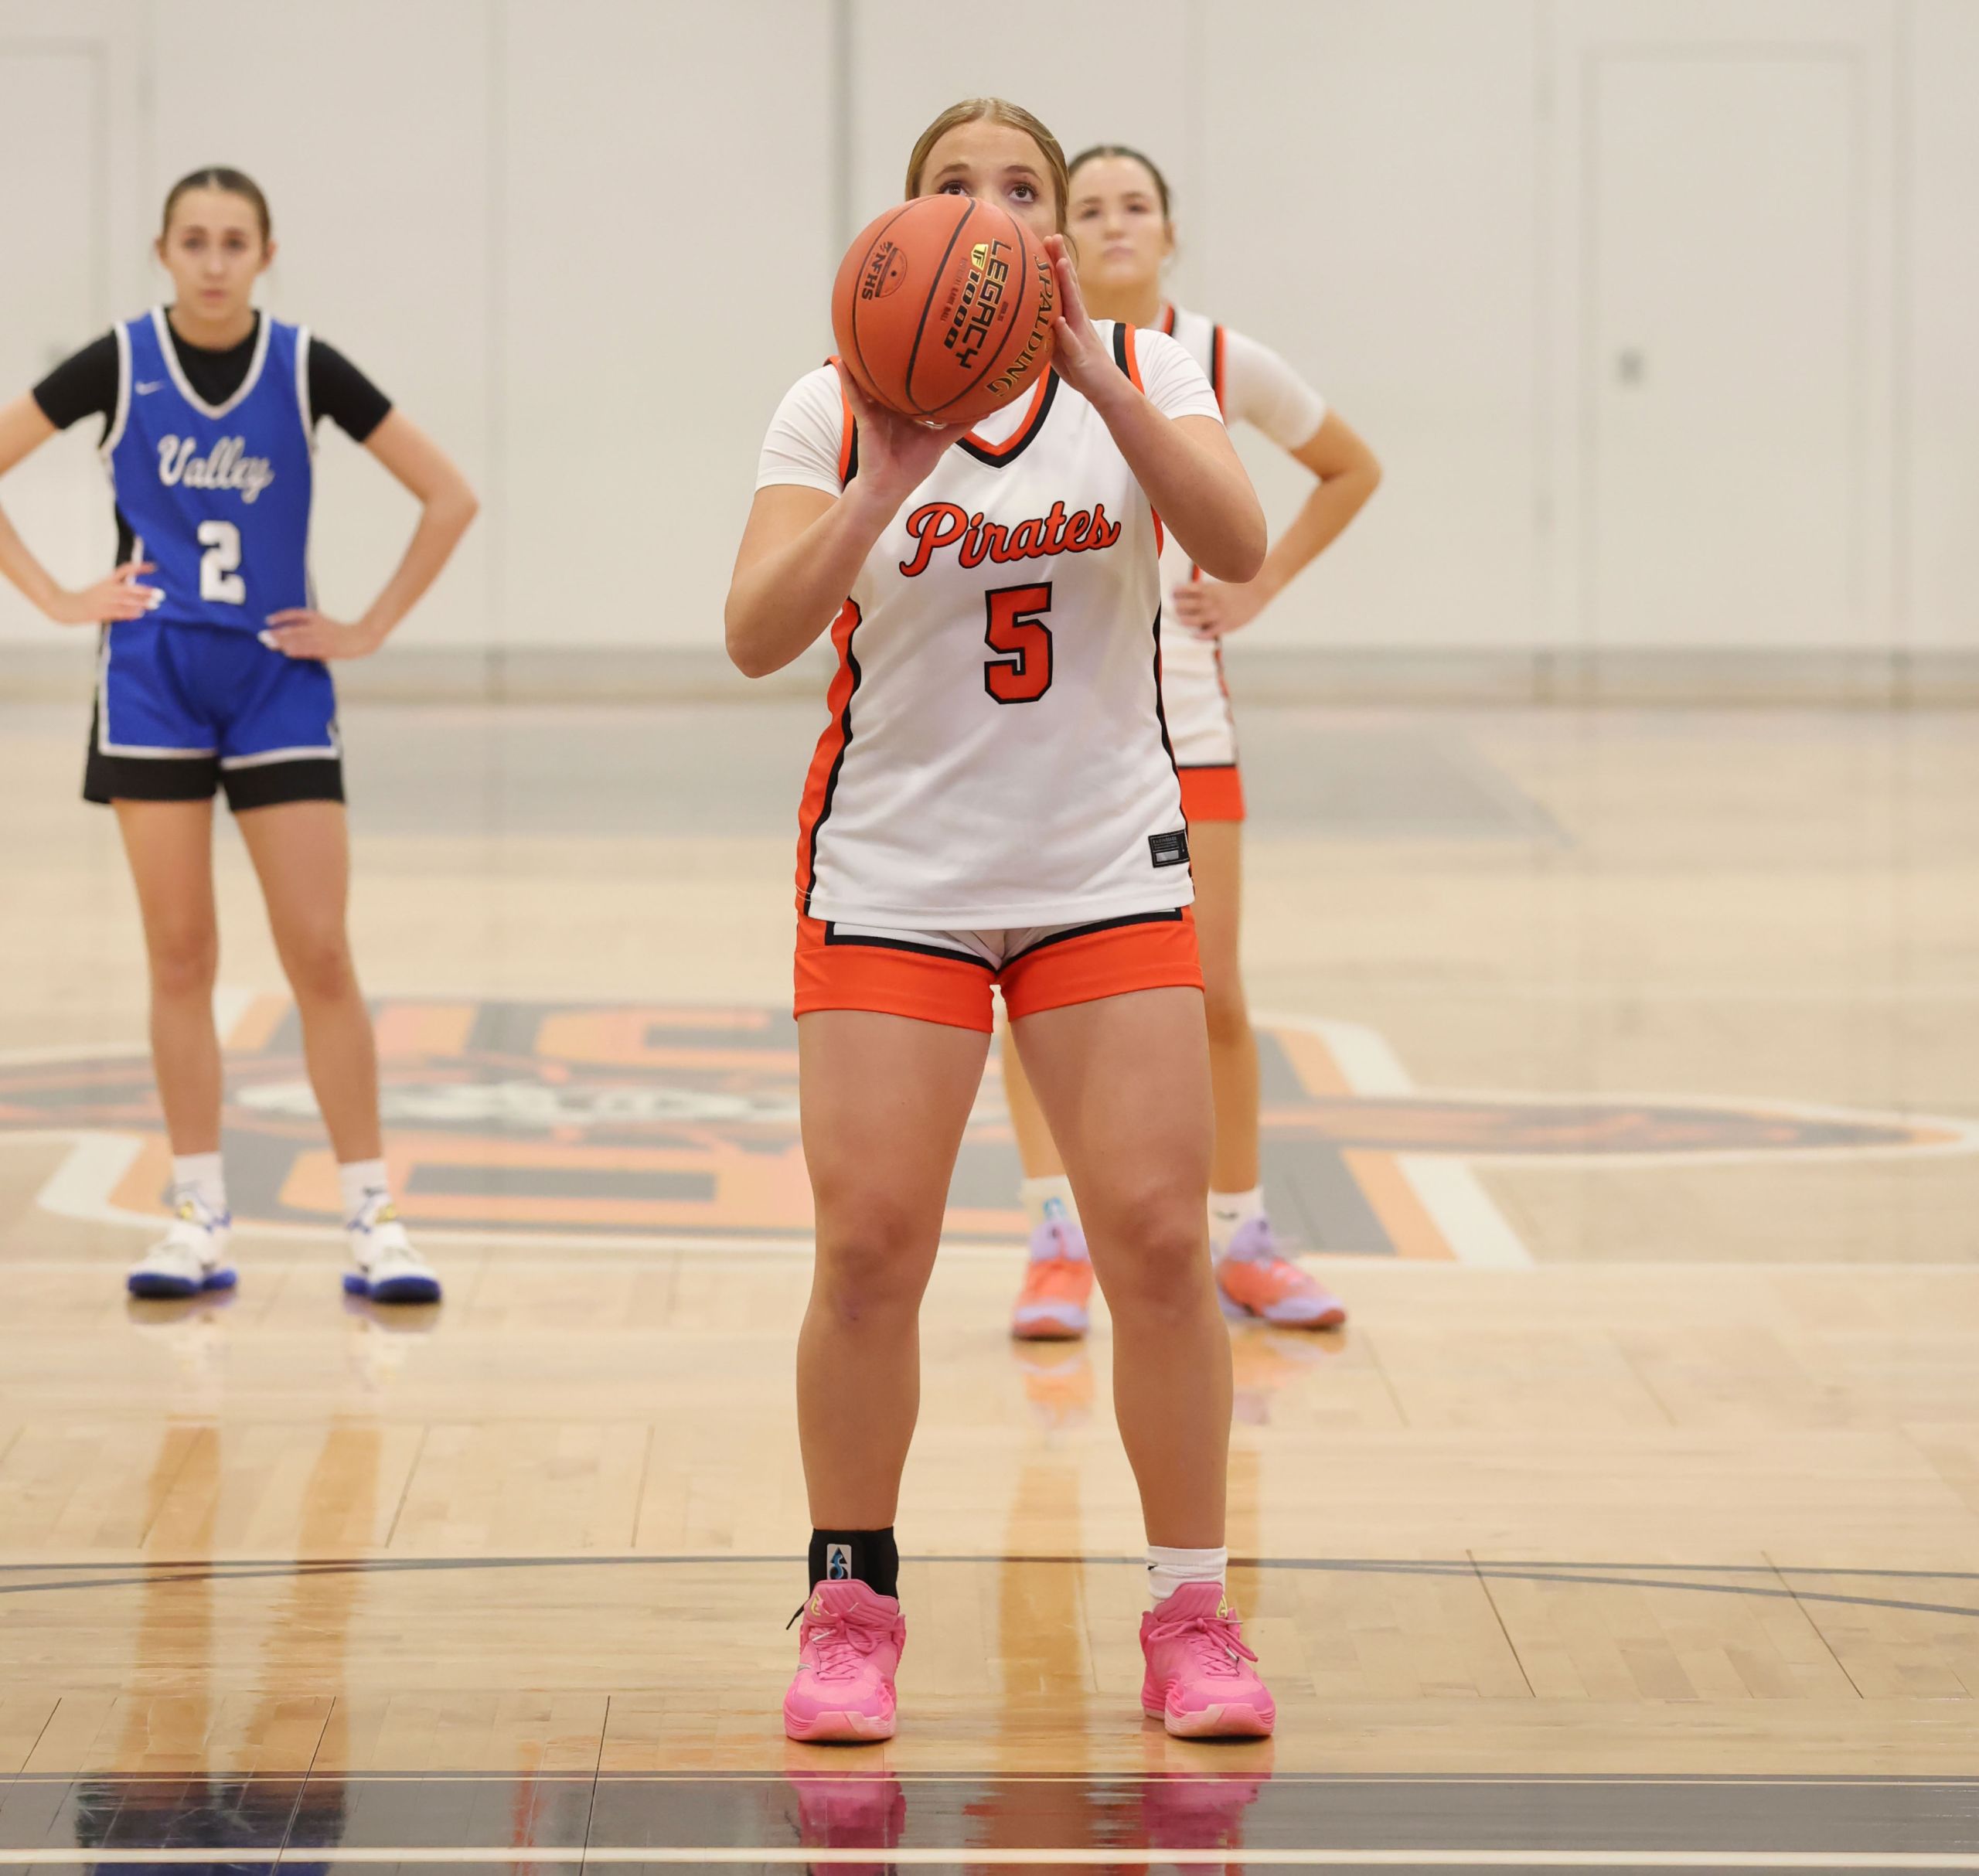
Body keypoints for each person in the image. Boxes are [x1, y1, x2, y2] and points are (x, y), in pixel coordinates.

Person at [727, 98, 1277, 1742]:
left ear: (1056, 229)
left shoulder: (1149, 372)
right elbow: (754, 632)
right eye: (954, 187)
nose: (994, 210)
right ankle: (850, 1607)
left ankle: (1192, 1612)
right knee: (867, 1248)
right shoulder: (831, 401)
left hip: (1099, 862)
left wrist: (1101, 379)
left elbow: (1238, 541)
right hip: (895, 875)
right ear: (905, 228)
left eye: (1023, 187)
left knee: (1160, 1241)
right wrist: (879, 481)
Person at [0, 167, 478, 1302]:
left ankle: (374, 1215)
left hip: (278, 681)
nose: (213, 262)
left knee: (320, 952)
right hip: (153, 681)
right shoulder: (119, 362)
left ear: (266, 254)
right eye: (194, 241)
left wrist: (368, 626)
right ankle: (197, 1216)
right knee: (181, 956)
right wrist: (56, 596)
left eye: (233, 242)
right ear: (163, 252)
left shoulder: (303, 365)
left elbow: (449, 496)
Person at [1006, 144, 1383, 1343]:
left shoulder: (1219, 361)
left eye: (1138, 206)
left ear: (1172, 234)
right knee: (1033, 988)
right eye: (1091, 207)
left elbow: (1349, 466)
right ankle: (1056, 1239)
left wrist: (1262, 586)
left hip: (1187, 723)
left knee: (1213, 991)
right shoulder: (1015, 361)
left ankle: (1244, 1238)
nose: (1116, 224)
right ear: (1061, 239)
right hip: (1052, 730)